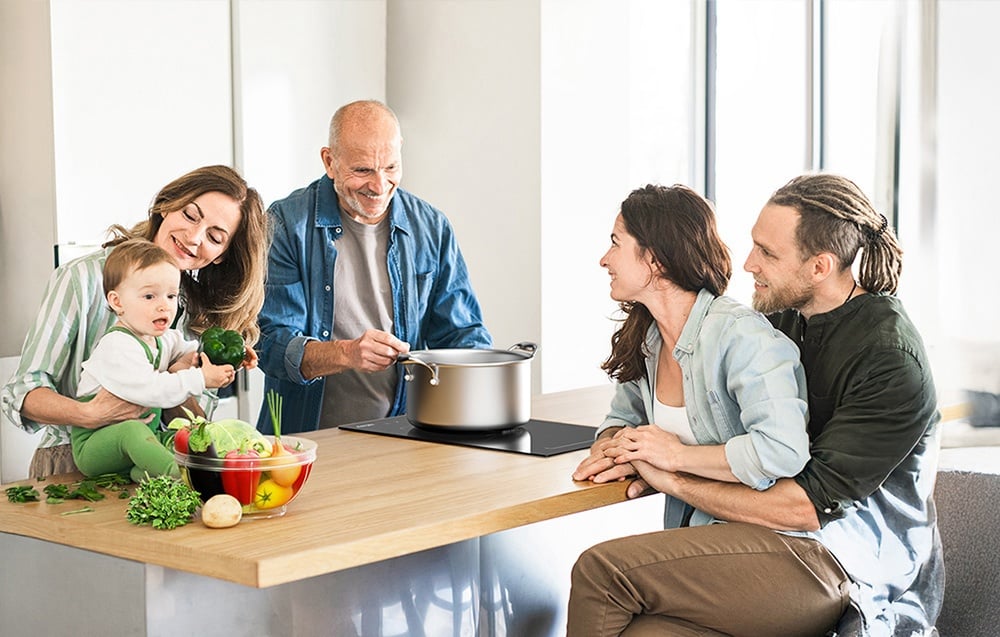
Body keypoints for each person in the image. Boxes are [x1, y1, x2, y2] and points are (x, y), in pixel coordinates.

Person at [567, 173, 942, 637]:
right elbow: (644, 413)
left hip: (846, 562)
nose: (746, 264)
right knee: (647, 632)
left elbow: (804, 507)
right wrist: (617, 445)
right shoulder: (780, 321)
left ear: (820, 267)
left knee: (604, 573)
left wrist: (672, 475)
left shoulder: (889, 358)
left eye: (767, 253)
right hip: (760, 541)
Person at [1, 165, 269, 479]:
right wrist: (89, 413)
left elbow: (186, 420)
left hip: (147, 461)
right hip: (71, 464)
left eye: (214, 236)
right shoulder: (83, 279)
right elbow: (22, 392)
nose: (194, 237)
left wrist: (207, 369)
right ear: (166, 206)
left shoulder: (196, 309)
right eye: (190, 215)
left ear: (222, 254)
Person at [574, 184, 810, 530]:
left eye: (615, 242)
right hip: (697, 530)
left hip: (764, 535)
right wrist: (615, 451)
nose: (604, 259)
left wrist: (674, 457)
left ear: (654, 259)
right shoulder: (649, 338)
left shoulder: (741, 335)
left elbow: (782, 451)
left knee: (602, 567)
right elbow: (621, 419)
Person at [255, 99, 491, 433]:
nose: (379, 186)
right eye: (363, 170)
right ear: (330, 161)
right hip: (304, 441)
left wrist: (488, 377)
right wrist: (346, 354)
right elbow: (271, 345)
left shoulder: (432, 226)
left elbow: (461, 334)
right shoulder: (285, 224)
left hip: (405, 435)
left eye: (391, 168)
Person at [70, 239, 237, 483]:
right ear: (117, 302)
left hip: (138, 439)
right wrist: (200, 378)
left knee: (174, 439)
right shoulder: (118, 345)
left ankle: (150, 474)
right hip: (94, 445)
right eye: (149, 296)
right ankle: (183, 478)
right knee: (132, 431)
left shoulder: (162, 339)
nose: (164, 306)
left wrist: (229, 358)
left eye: (171, 296)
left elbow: (192, 353)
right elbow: (153, 390)